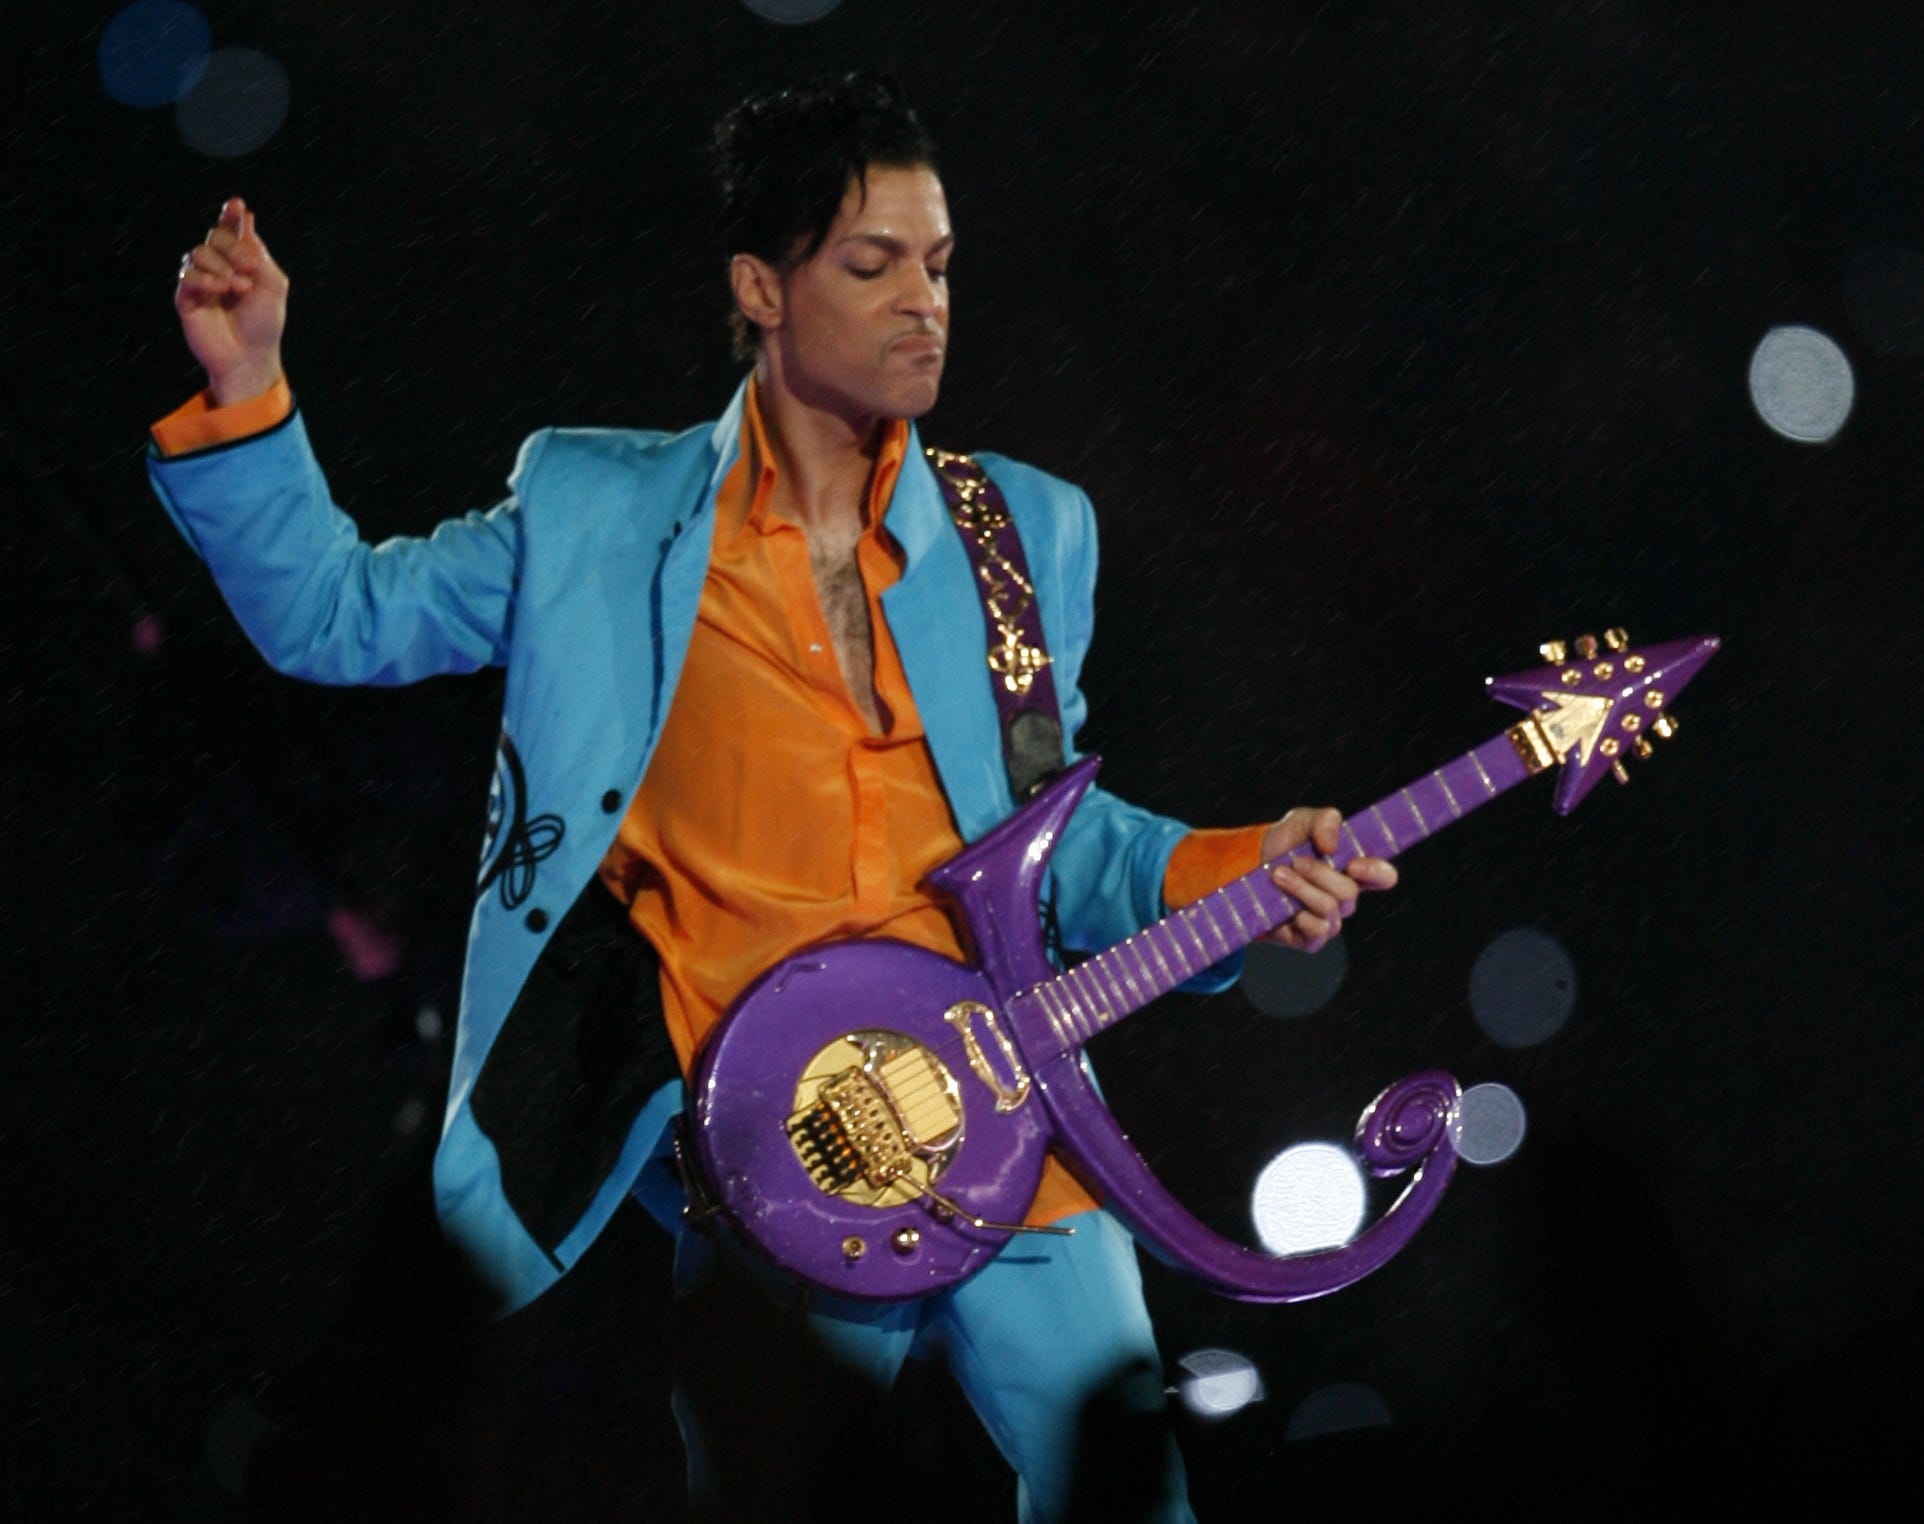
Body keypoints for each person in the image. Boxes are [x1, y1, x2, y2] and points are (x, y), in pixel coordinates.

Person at [151, 73, 1397, 1523]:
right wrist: (247, 390)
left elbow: (1058, 838)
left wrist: (1249, 869)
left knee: (1129, 1501)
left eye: (937, 266)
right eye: (870, 266)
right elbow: (336, 617)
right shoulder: (597, 512)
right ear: (762, 285)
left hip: (1014, 1118)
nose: (921, 303)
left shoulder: (1021, 532)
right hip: (783, 1161)